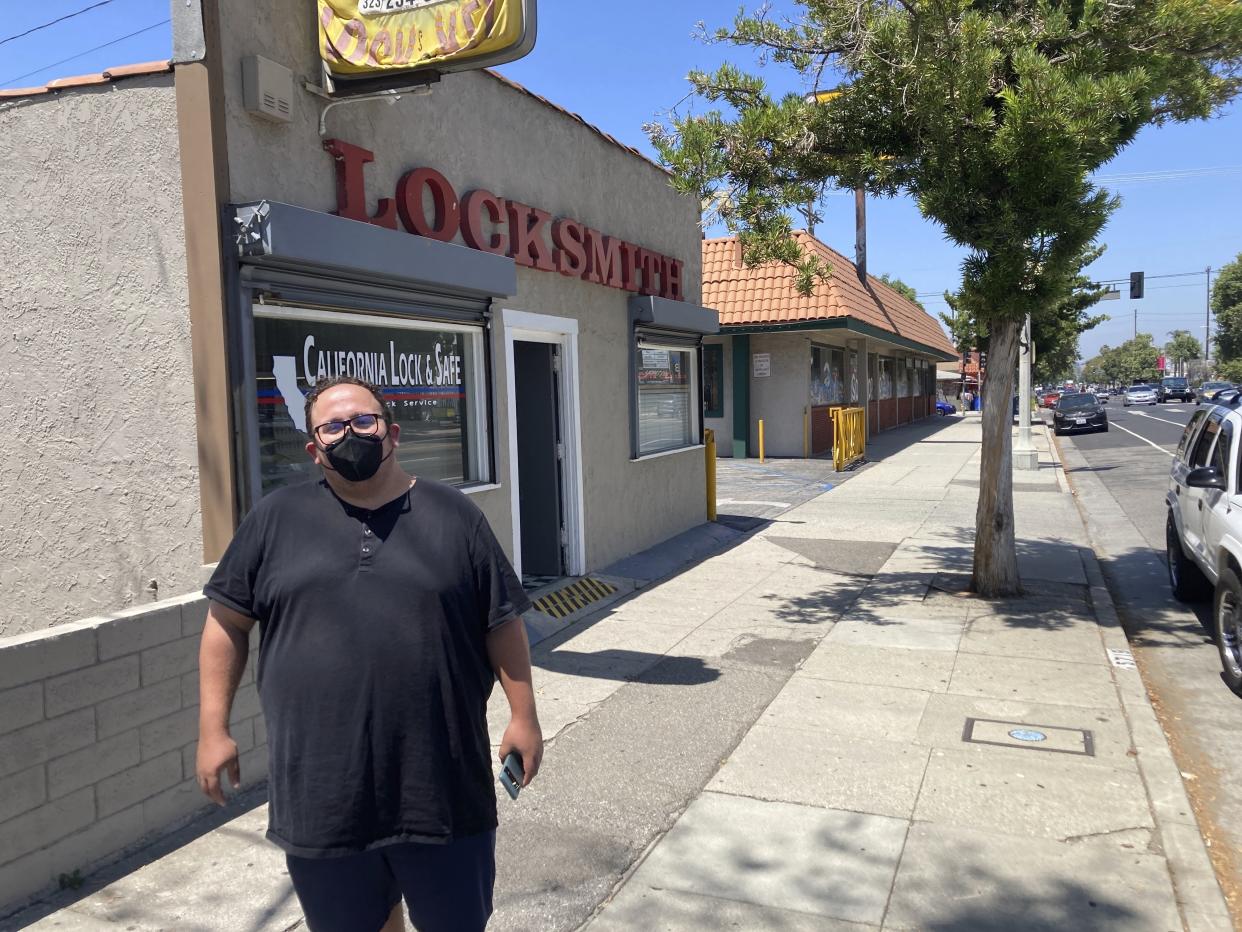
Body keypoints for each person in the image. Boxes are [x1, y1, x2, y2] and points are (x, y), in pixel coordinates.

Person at [196, 375, 541, 932]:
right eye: (332, 426)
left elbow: (501, 622)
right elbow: (226, 624)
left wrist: (524, 716)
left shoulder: (455, 516)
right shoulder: (274, 520)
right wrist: (214, 728)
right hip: (322, 793)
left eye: (363, 420)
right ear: (314, 448)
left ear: (392, 433)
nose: (349, 433)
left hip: (443, 789)